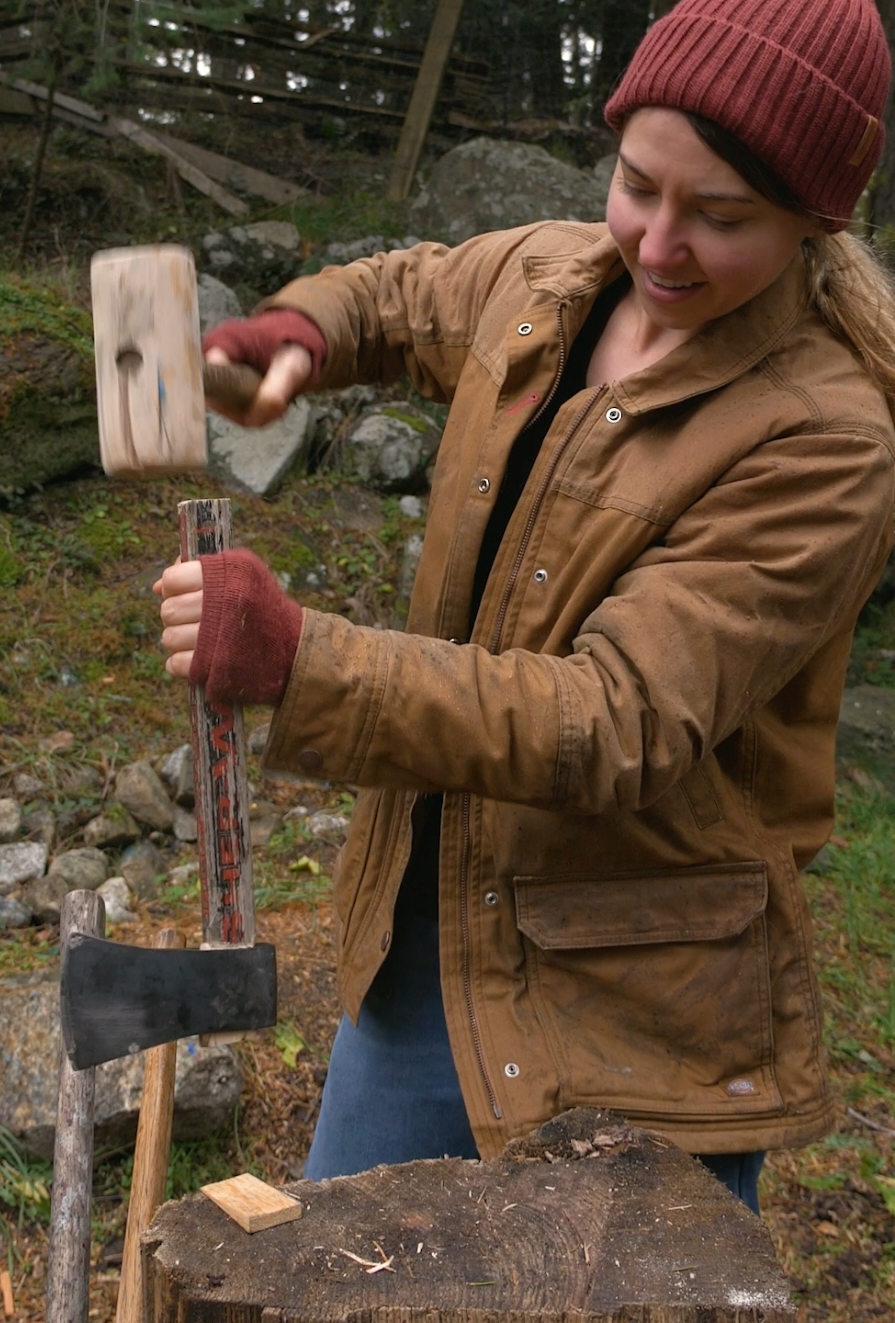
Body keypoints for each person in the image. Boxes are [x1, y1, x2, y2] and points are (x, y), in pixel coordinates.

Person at [155, 0, 895, 1216]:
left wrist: (301, 663)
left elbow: (615, 717)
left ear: (814, 224)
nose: (658, 243)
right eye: (637, 183)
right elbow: (400, 295)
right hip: (431, 934)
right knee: (344, 1283)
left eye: (719, 217)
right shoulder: (550, 278)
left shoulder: (822, 439)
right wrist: (300, 331)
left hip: (645, 1007)